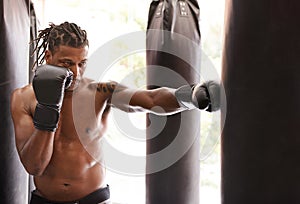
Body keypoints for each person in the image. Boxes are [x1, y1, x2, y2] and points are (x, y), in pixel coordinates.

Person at [10, 22, 219, 204]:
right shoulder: (23, 98)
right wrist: (48, 109)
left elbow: (150, 99)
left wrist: (191, 96)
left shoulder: (99, 92)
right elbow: (35, 166)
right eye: (67, 63)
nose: (75, 73)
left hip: (94, 200)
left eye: (82, 63)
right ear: (48, 56)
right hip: (46, 201)